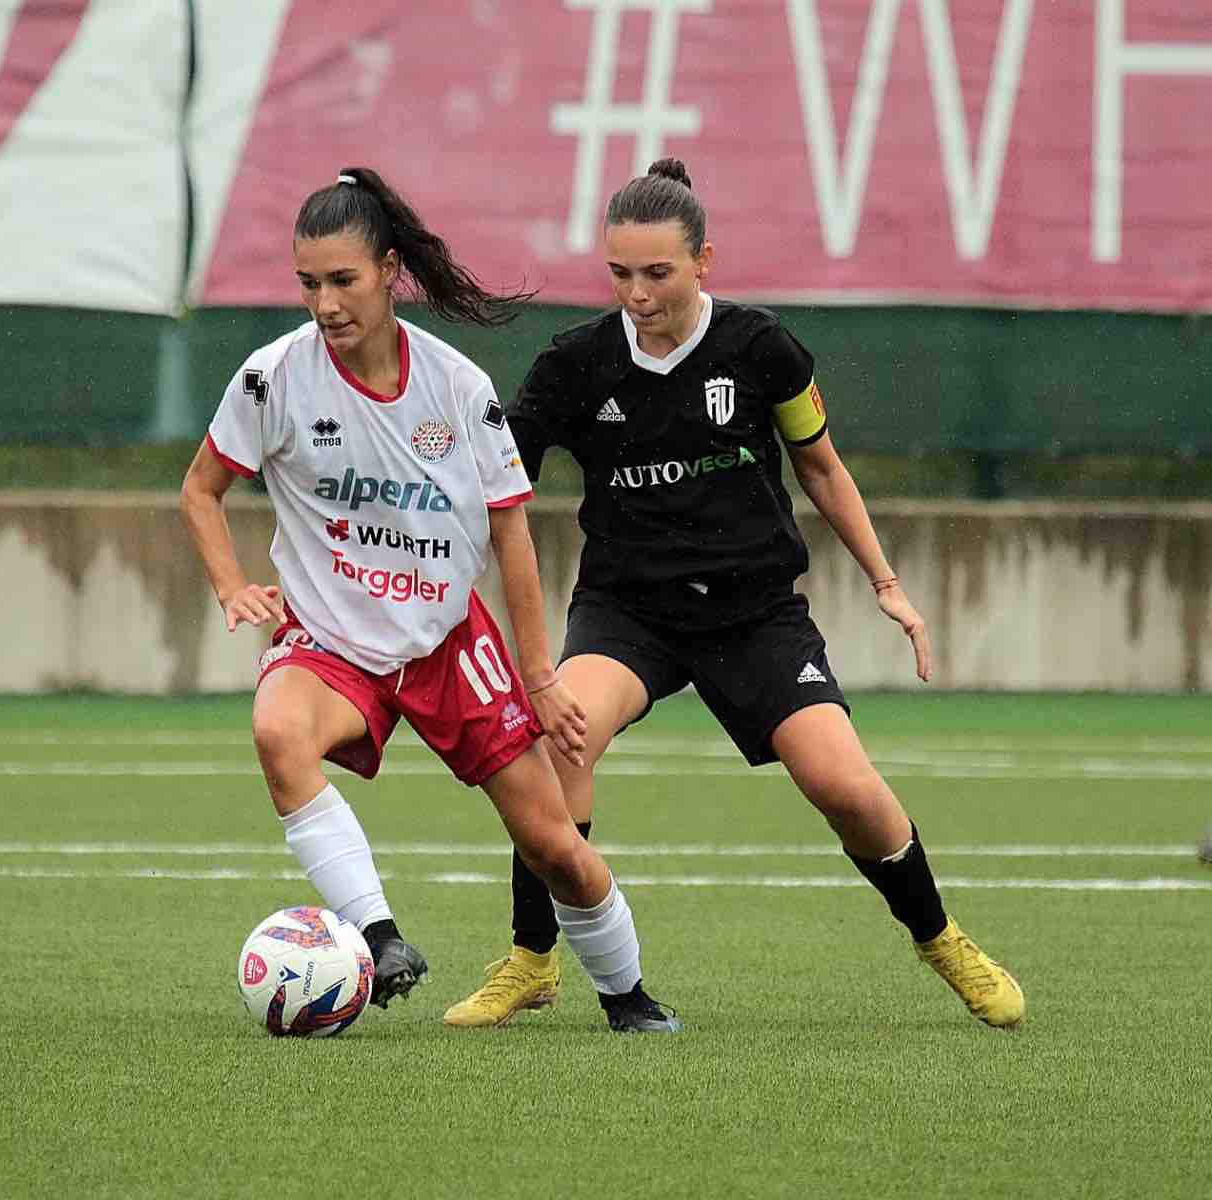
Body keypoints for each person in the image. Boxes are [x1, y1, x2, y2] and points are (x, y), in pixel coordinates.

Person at [443, 158, 1025, 1030]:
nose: (636, 294)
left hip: (755, 614)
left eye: (658, 273)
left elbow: (821, 468)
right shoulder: (573, 365)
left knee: (845, 786)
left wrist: (888, 584)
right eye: (620, 274)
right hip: (627, 611)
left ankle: (941, 939)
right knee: (559, 748)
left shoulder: (762, 349)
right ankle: (533, 958)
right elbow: (499, 497)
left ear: (704, 261)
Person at [180, 166, 677, 1031]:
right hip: (330, 644)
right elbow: (200, 489)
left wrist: (539, 675)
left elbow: (513, 533)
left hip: (448, 643)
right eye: (308, 284)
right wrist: (231, 583)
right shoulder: (272, 379)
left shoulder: (457, 386)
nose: (326, 305)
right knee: (275, 731)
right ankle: (377, 937)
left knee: (555, 844)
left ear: (390, 271)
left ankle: (627, 995)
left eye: (343, 280)